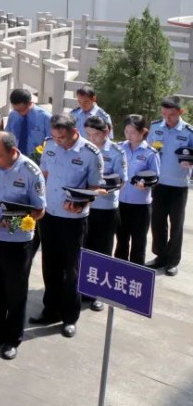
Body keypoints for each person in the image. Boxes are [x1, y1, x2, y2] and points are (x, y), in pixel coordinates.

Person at [0, 132, 47, 361]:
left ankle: (12, 339)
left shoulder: (31, 172)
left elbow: (40, 210)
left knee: (15, 291)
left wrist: (16, 218)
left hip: (18, 241)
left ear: (13, 151)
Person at [31, 114, 103, 339]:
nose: (58, 141)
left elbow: (95, 189)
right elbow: (44, 174)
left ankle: (70, 317)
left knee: (71, 269)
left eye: (62, 137)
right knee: (49, 264)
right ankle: (50, 309)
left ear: (74, 132)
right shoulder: (49, 145)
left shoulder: (91, 154)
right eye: (55, 136)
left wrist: (81, 203)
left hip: (73, 219)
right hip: (49, 214)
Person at [81, 115, 126, 312]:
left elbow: (121, 180)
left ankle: (100, 293)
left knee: (103, 250)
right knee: (85, 247)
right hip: (86, 207)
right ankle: (84, 287)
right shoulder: (83, 148)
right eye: (88, 134)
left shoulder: (116, 152)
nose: (91, 139)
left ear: (106, 132)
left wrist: (105, 185)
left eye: (95, 135)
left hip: (106, 209)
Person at [148, 96, 193, 276]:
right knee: (157, 222)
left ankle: (173, 261)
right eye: (165, 114)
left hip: (178, 185)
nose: (168, 118)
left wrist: (190, 163)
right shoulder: (155, 127)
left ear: (180, 112)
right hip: (159, 184)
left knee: (176, 224)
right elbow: (150, 149)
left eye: (172, 115)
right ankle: (160, 257)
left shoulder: (189, 131)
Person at [116, 114, 160, 266]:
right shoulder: (120, 148)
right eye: (127, 131)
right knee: (121, 241)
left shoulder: (150, 153)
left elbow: (155, 178)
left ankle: (135, 278)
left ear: (143, 132)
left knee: (138, 243)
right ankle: (118, 274)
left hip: (140, 205)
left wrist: (146, 184)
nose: (129, 135)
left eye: (133, 132)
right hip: (121, 202)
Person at [6, 88, 52, 164]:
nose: (19, 113)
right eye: (16, 110)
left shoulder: (45, 118)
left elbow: (51, 142)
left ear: (30, 104)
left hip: (37, 161)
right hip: (15, 160)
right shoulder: (13, 115)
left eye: (22, 110)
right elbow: (7, 136)